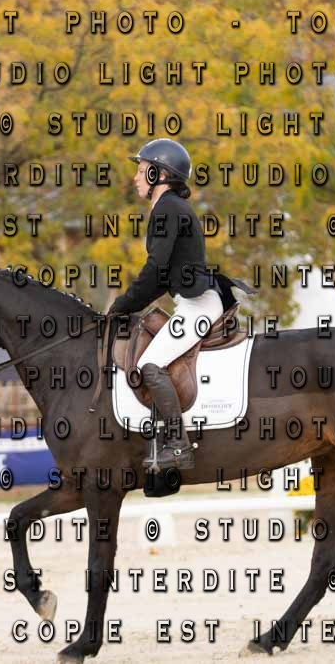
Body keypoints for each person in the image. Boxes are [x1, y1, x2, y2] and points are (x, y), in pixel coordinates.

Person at [106, 138, 224, 470]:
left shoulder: (168, 209)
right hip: (194, 303)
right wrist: (125, 306)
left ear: (159, 174)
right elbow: (161, 276)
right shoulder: (169, 208)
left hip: (198, 307)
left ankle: (178, 446)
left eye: (142, 170)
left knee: (150, 365)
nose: (135, 177)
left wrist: (122, 304)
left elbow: (155, 270)